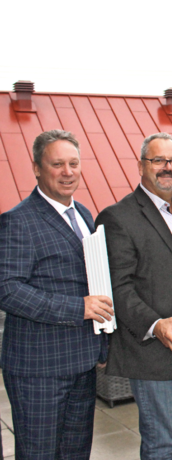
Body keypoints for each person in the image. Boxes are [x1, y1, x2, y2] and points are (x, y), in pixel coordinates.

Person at [0, 129, 113, 459]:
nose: (68, 172)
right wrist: (77, 309)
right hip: (38, 369)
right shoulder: (17, 221)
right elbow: (7, 289)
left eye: (74, 164)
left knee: (76, 453)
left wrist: (102, 344)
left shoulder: (84, 215)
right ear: (37, 168)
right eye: (57, 164)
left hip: (82, 364)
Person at [95, 133, 172, 459]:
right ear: (141, 166)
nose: (167, 167)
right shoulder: (119, 217)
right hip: (150, 349)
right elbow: (119, 288)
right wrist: (156, 325)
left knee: (171, 428)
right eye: (158, 160)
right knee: (162, 443)